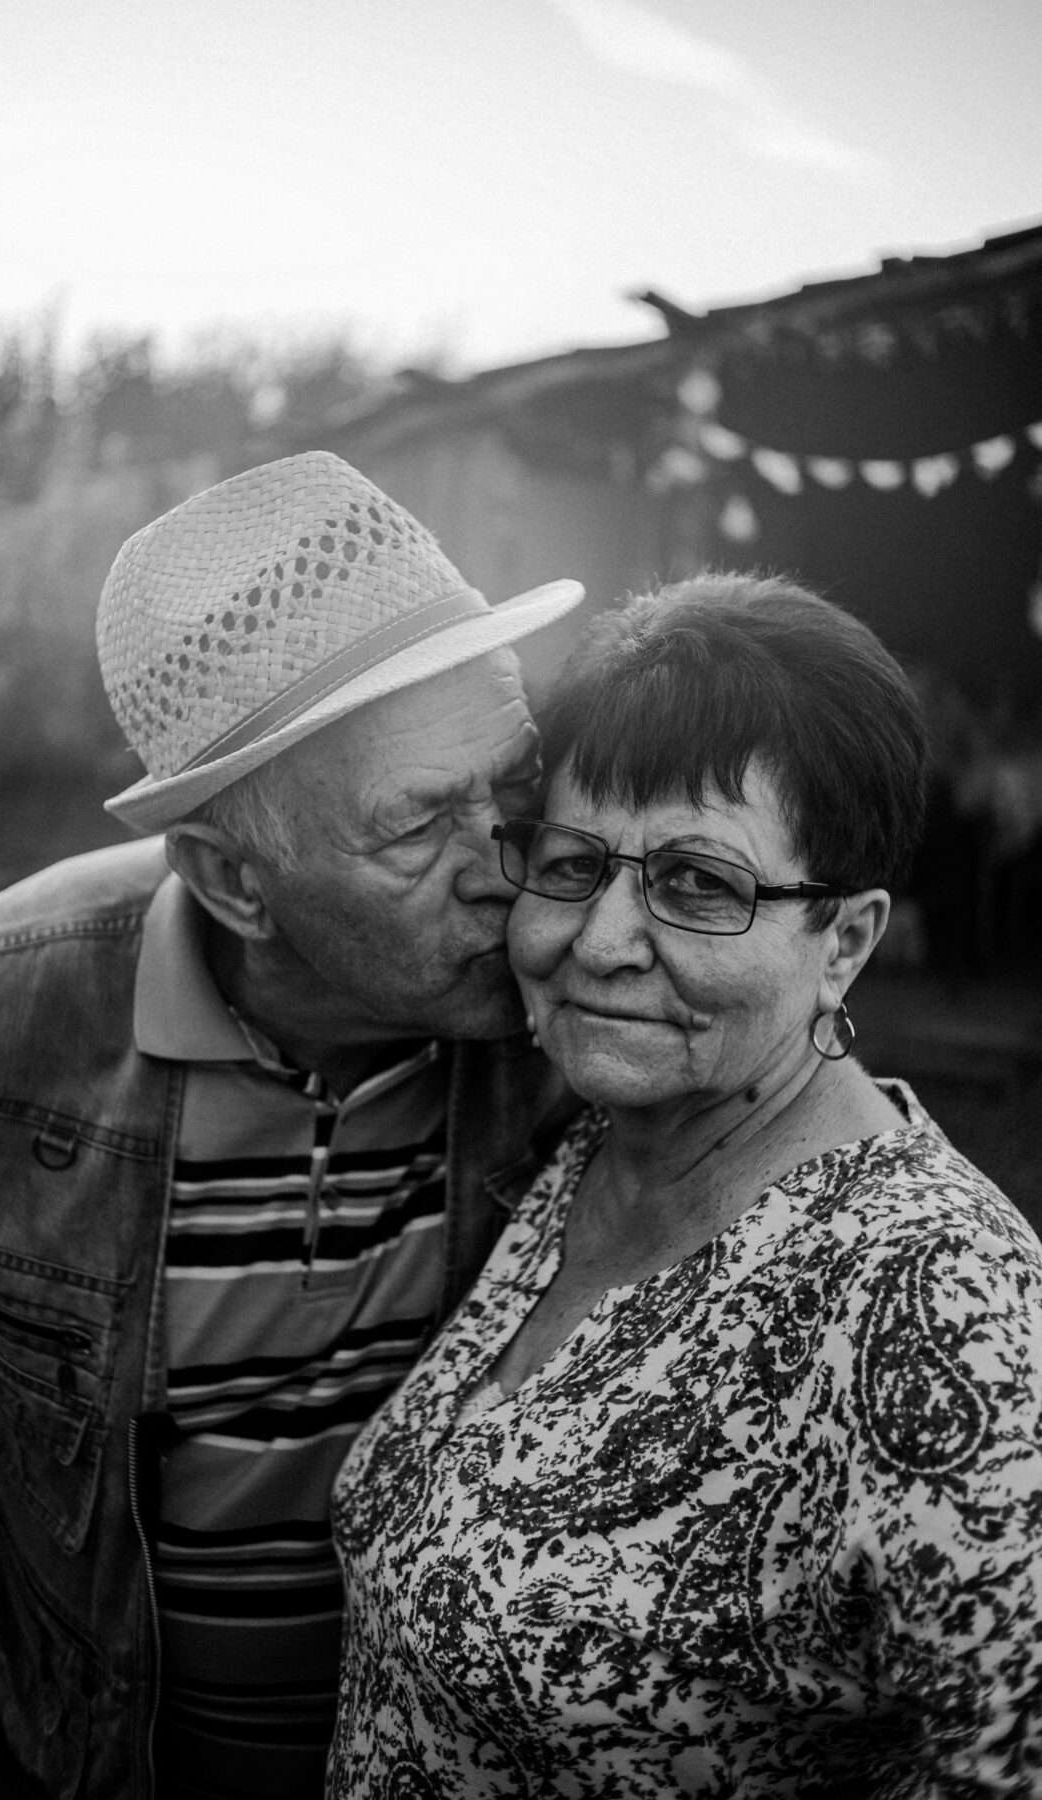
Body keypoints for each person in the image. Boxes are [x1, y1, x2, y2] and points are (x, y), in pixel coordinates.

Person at [0, 451, 585, 1800]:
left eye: (512, 782)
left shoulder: (588, 1012)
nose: (508, 869)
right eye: (419, 824)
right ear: (236, 879)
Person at [329, 574, 1042, 1798]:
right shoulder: (578, 1154)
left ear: (849, 940)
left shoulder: (938, 1304)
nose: (598, 940)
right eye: (571, 864)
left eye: (700, 884)